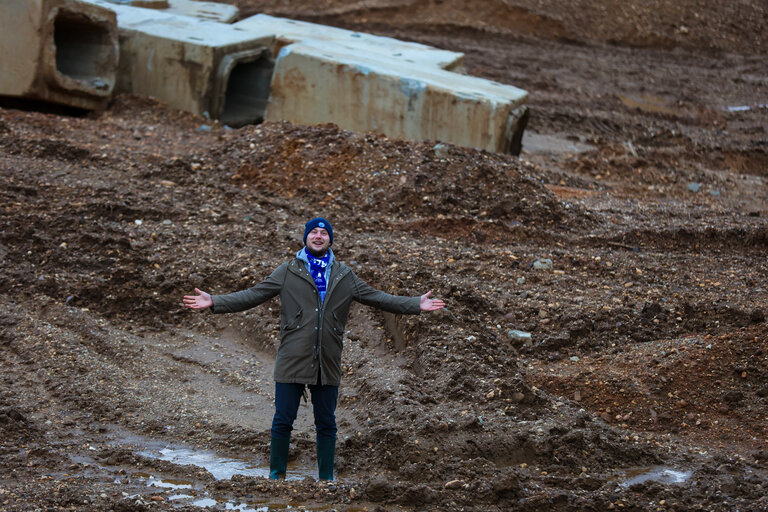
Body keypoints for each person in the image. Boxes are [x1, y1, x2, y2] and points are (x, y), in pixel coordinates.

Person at [183, 217, 445, 481]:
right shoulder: (287, 271)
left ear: (330, 240)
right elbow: (254, 294)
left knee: (327, 423)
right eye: (314, 232)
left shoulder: (344, 276)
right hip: (292, 359)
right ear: (305, 238)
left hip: (327, 360)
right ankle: (276, 477)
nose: (318, 236)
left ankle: (326, 479)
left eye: (323, 233)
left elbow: (378, 297)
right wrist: (214, 301)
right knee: (283, 420)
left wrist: (414, 304)